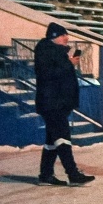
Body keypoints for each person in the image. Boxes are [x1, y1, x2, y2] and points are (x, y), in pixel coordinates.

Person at [34, 22, 94, 186]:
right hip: (52, 103)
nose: (66, 37)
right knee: (62, 138)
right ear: (54, 37)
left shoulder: (56, 52)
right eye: (62, 35)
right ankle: (73, 174)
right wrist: (69, 65)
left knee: (52, 141)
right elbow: (47, 75)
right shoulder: (46, 51)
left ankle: (45, 175)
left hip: (57, 103)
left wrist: (68, 64)